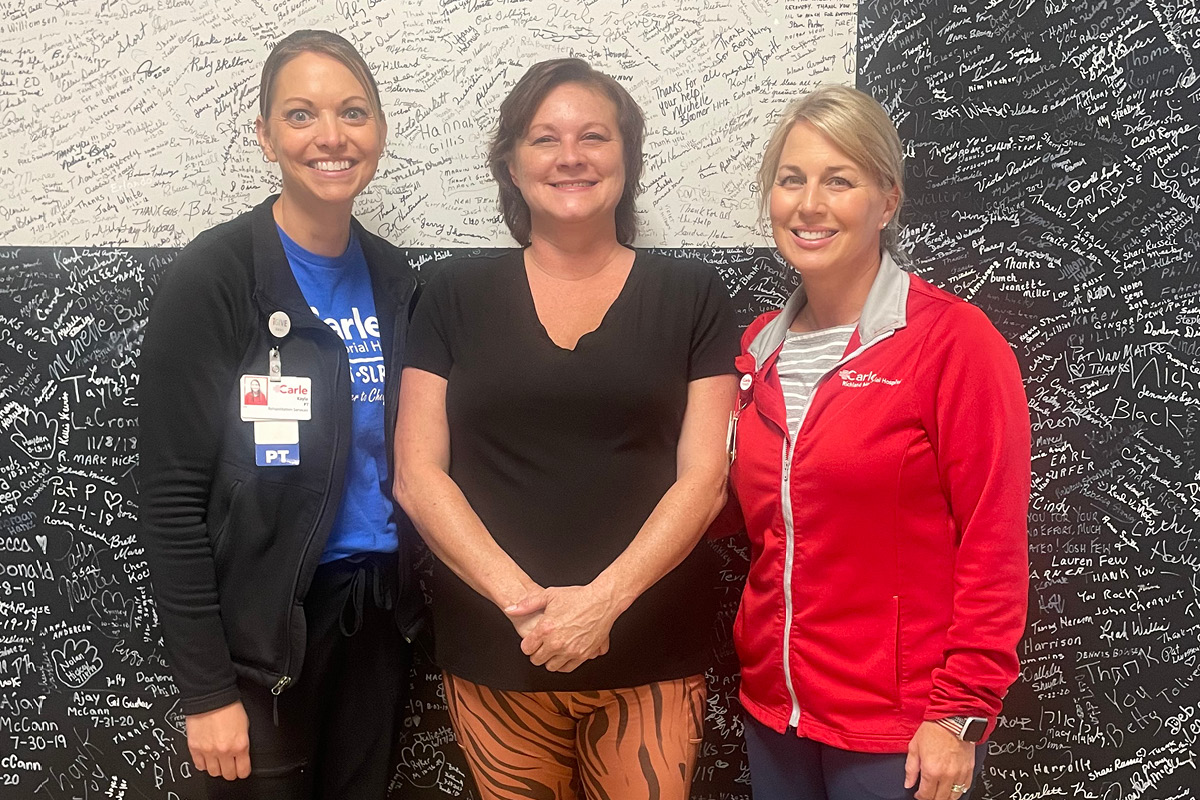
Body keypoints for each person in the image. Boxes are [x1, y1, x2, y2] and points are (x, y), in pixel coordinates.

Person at [393, 58, 739, 800]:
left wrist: (600, 605)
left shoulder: (693, 296)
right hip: (498, 651)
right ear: (511, 165)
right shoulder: (451, 294)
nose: (571, 155)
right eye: (545, 138)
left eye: (594, 136)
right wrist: (532, 610)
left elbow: (706, 480)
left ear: (628, 156)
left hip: (651, 650)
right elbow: (418, 476)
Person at [718, 85, 1030, 800]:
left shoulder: (952, 343)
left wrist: (959, 715)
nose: (809, 204)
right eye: (791, 180)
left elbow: (994, 541)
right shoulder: (754, 351)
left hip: (901, 732)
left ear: (886, 202)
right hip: (775, 714)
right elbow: (738, 515)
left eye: (840, 180)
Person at [139, 30, 423, 799]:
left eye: (354, 112)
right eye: (301, 115)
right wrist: (206, 691)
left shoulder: (395, 279)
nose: (331, 136)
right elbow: (170, 500)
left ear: (381, 130)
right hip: (261, 643)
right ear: (264, 137)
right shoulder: (216, 278)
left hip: (372, 622)